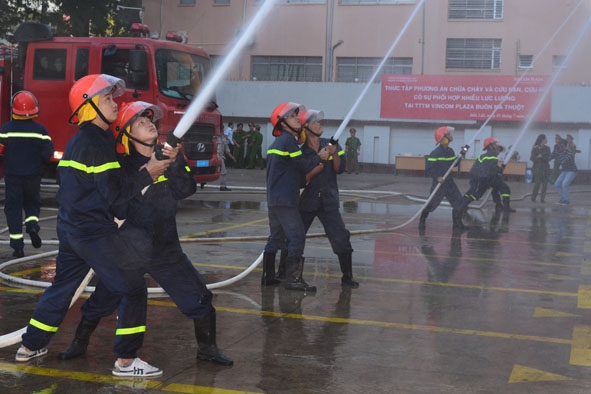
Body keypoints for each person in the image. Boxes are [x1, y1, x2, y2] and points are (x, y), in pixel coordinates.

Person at [15, 74, 172, 378]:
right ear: (90, 105)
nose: (115, 104)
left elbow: (89, 188)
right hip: (93, 232)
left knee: (62, 288)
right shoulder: (97, 145)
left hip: (71, 229)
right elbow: (117, 201)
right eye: (109, 99)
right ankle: (127, 361)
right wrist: (148, 174)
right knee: (133, 286)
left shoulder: (80, 141)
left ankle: (30, 345)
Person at [58, 101, 233, 366]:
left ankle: (207, 350)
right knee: (101, 302)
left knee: (200, 299)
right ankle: (79, 343)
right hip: (127, 251)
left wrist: (175, 163)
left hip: (166, 249)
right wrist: (148, 172)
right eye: (140, 122)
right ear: (126, 135)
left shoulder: (169, 159)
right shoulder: (120, 167)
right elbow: (117, 203)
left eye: (150, 120)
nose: (149, 123)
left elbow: (186, 190)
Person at [260, 102, 324, 291]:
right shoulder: (288, 140)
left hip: (275, 199)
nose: (297, 118)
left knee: (276, 238)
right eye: (292, 116)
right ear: (282, 123)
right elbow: (302, 165)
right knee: (297, 237)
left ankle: (268, 277)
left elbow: (292, 170)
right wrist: (318, 157)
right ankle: (293, 279)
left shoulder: (279, 142)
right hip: (286, 199)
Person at [297, 109, 359, 287]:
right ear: (306, 130)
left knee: (341, 237)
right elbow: (302, 177)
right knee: (295, 237)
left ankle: (347, 276)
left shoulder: (331, 144)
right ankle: (290, 275)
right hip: (307, 201)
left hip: (328, 201)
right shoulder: (301, 152)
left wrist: (333, 154)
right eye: (315, 122)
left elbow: (339, 169)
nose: (319, 124)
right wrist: (318, 160)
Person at [0, 91, 54, 258]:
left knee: (13, 209)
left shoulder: (6, 130)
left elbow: (0, 152)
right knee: (32, 204)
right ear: (34, 110)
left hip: (13, 177)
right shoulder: (40, 131)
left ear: (14, 109)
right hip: (32, 176)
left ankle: (18, 247)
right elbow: (48, 152)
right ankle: (32, 226)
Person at [419, 126, 468, 231]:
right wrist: (437, 177)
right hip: (439, 184)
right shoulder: (435, 153)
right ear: (443, 138)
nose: (450, 136)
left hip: (449, 182)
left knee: (459, 203)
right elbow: (428, 169)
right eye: (448, 135)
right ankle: (422, 221)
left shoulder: (450, 151)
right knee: (432, 205)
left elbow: (453, 164)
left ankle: (457, 225)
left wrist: (462, 154)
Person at [459, 137, 515, 213]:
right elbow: (491, 168)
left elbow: (486, 167)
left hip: (479, 177)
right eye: (499, 149)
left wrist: (497, 171)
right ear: (492, 146)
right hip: (484, 177)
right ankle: (506, 207)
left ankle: (464, 204)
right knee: (505, 188)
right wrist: (500, 170)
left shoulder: (484, 156)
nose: (499, 151)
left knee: (480, 193)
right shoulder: (492, 156)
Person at [550, 140, 577, 205]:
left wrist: (558, 152)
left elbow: (563, 160)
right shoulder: (558, 152)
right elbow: (549, 158)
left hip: (572, 171)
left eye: (561, 146)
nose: (560, 147)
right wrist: (554, 151)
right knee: (556, 184)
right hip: (564, 171)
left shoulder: (569, 153)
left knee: (564, 184)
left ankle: (566, 201)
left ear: (565, 146)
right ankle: (562, 199)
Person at [529, 134, 551, 203]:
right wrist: (538, 157)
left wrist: (542, 157)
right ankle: (533, 197)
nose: (546, 140)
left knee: (545, 185)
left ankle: (542, 199)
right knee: (537, 184)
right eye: (546, 138)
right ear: (542, 139)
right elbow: (532, 158)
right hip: (537, 169)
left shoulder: (547, 148)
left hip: (545, 169)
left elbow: (549, 158)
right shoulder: (535, 148)